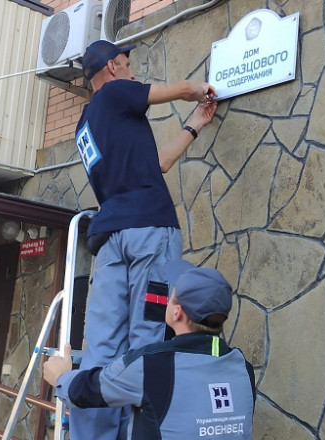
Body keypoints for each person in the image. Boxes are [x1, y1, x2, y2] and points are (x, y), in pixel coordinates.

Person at [72, 39, 218, 439]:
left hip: (111, 242)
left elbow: (158, 164)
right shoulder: (116, 92)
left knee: (102, 346)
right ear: (113, 67)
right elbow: (181, 89)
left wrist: (195, 125)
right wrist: (203, 89)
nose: (133, 71)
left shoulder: (85, 125)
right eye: (127, 63)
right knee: (148, 338)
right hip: (150, 236)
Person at [44, 260, 255, 439]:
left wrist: (61, 376)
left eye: (170, 298)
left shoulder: (153, 366)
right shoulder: (243, 368)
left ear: (176, 313)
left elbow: (86, 391)